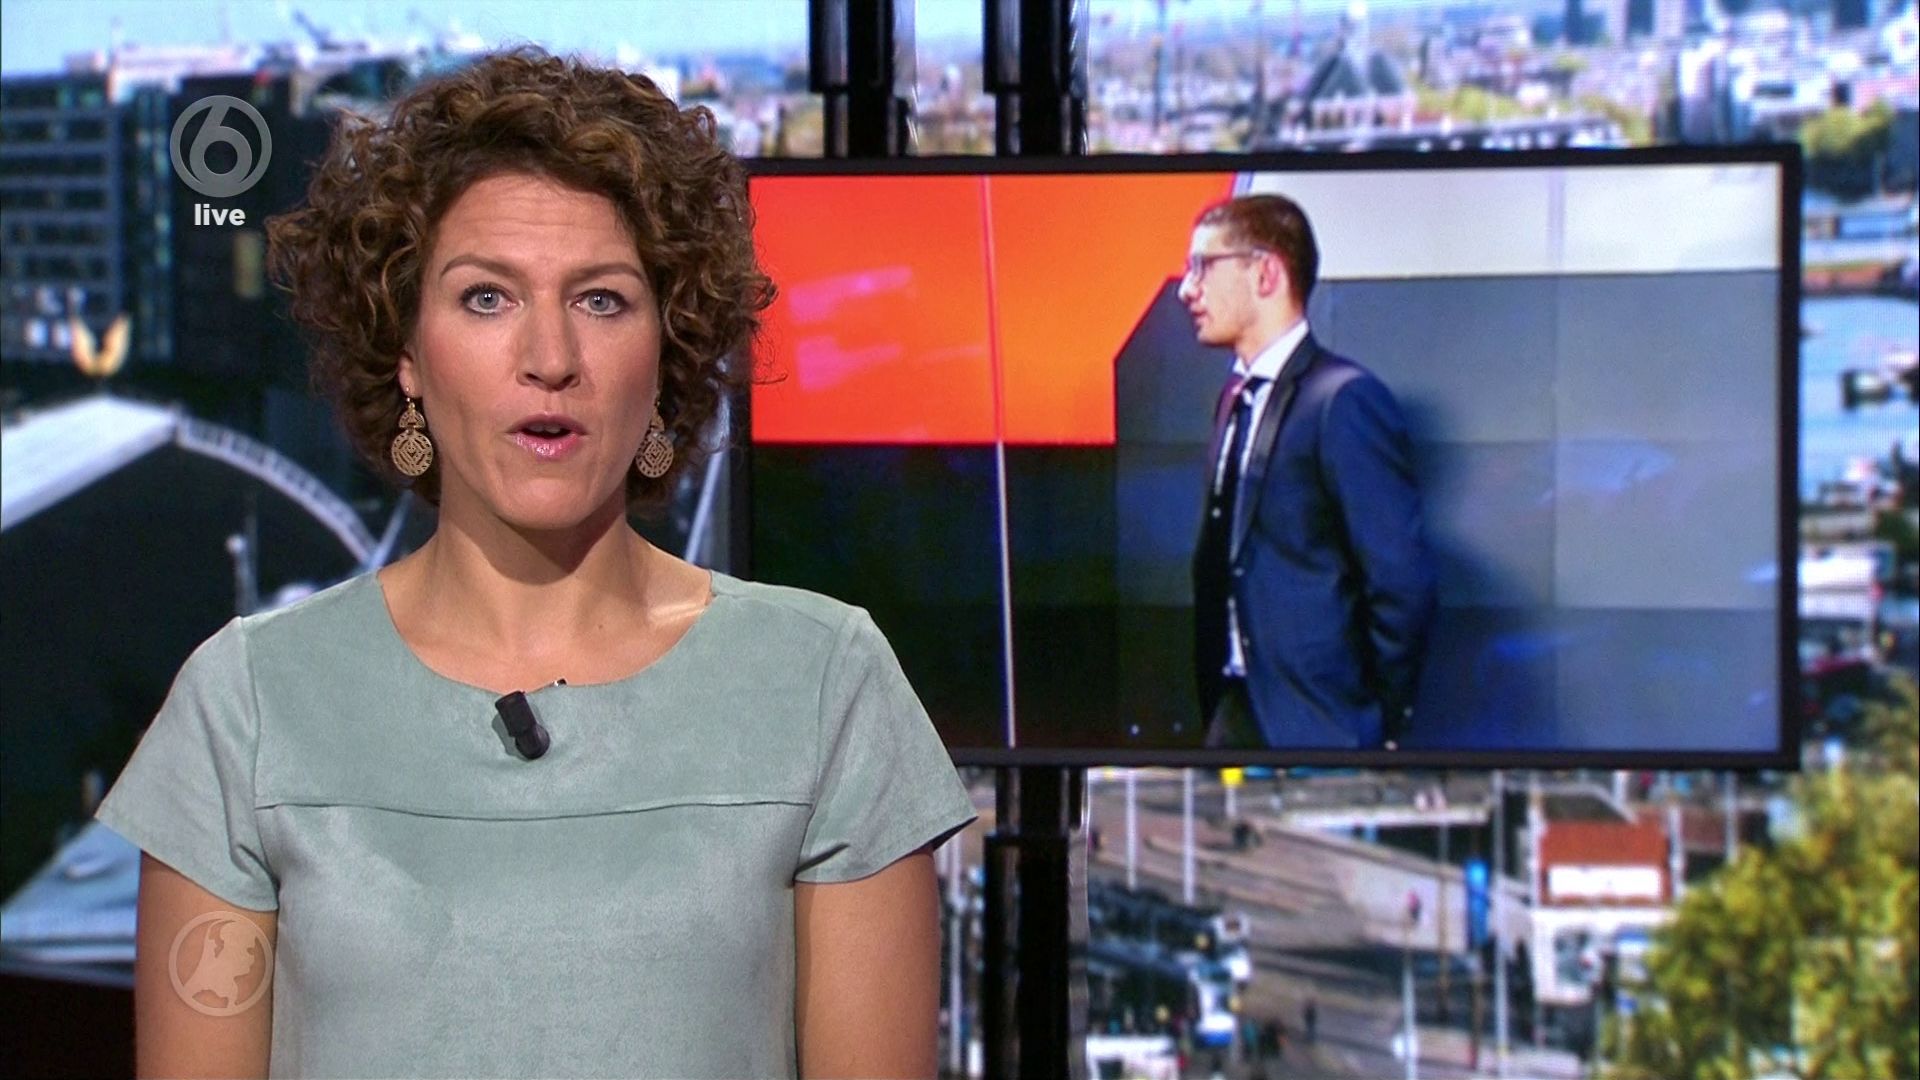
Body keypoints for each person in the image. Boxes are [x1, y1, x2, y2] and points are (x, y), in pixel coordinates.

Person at [92, 48, 976, 1079]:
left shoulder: (825, 685)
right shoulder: (245, 707)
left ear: (668, 351)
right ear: (406, 353)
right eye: (486, 298)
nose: (550, 358)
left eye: (601, 301)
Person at [1181, 194, 1436, 750]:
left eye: (1203, 266)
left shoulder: (1343, 400)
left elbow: (1400, 581)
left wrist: (1374, 720)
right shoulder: (1233, 398)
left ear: (1265, 273)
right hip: (1235, 712)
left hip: (1321, 724)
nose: (1187, 289)